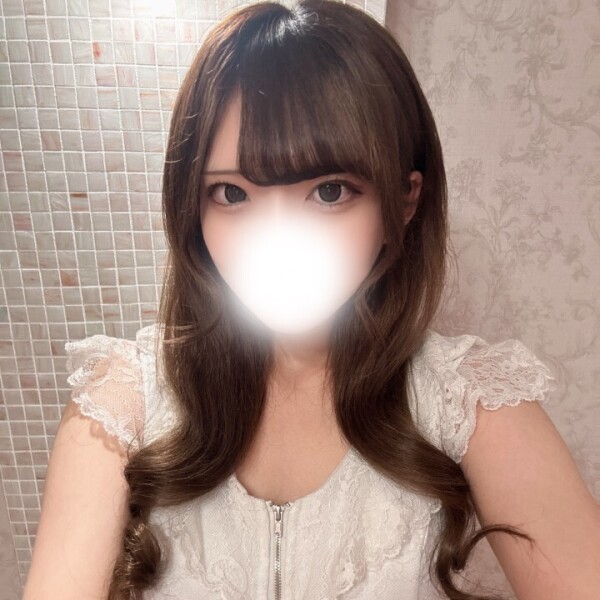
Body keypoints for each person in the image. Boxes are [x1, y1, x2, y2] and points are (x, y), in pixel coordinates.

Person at [23, 1, 600, 599]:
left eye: (329, 191)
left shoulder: (471, 403)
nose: (276, 243)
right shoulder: (121, 405)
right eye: (231, 193)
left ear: (404, 201)